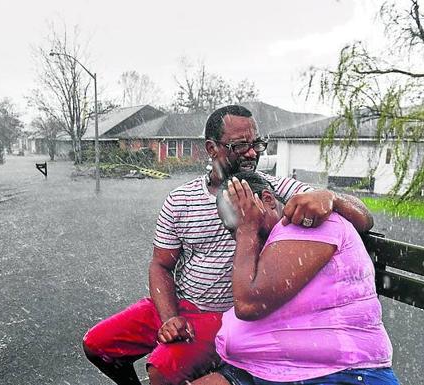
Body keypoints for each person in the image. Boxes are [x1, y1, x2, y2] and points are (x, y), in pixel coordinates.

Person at [82, 105, 374, 385]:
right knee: (98, 345)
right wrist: (170, 316)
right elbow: (161, 264)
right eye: (239, 146)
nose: (251, 153)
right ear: (211, 149)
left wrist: (331, 197)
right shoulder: (181, 199)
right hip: (180, 303)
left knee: (161, 369)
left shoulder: (271, 189)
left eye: (257, 144)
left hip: (224, 315)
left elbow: (364, 218)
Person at [191, 172, 399, 385]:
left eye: (244, 215)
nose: (238, 233)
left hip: (336, 373)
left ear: (268, 200)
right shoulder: (274, 237)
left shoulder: (306, 223)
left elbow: (248, 304)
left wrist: (247, 229)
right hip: (265, 369)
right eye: (232, 228)